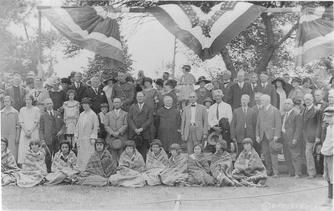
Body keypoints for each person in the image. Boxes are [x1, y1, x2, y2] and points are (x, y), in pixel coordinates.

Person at [256, 94, 282, 177]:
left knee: (273, 154)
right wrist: (257, 135)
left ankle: (275, 172)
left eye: (262, 100)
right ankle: (269, 170)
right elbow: (258, 124)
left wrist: (276, 135)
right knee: (266, 154)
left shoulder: (275, 110)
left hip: (271, 136)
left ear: (267, 101)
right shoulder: (260, 110)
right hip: (263, 136)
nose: (261, 102)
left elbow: (278, 124)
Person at [39, 98, 65, 172]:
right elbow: (41, 129)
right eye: (47, 104)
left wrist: (61, 131)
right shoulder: (43, 116)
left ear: (52, 104)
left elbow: (63, 125)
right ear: (45, 106)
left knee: (58, 154)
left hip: (58, 138)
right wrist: (42, 140)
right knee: (48, 156)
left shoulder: (58, 113)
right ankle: (48, 171)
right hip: (48, 138)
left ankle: (58, 170)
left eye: (50, 103)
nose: (49, 105)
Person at [74, 98, 99, 171]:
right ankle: (81, 170)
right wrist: (76, 135)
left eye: (86, 104)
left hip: (89, 139)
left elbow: (95, 127)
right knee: (81, 154)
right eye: (83, 104)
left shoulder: (93, 114)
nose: (84, 106)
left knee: (89, 154)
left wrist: (93, 137)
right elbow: (77, 126)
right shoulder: (81, 114)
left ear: (89, 105)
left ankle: (88, 170)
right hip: (81, 138)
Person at [301, 93, 321, 179]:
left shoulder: (317, 110)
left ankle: (311, 173)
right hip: (305, 136)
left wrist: (317, 136)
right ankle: (310, 172)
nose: (307, 101)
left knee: (308, 153)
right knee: (308, 154)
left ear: (312, 99)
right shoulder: (304, 110)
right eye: (305, 99)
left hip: (312, 137)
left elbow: (319, 125)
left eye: (309, 99)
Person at [128, 92, 153, 159]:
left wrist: (142, 128)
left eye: (141, 96)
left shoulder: (149, 107)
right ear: (136, 98)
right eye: (138, 96)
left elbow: (150, 119)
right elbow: (129, 119)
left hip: (144, 133)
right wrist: (135, 129)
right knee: (133, 151)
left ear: (144, 97)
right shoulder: (132, 107)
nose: (140, 98)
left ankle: (143, 167)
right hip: (134, 133)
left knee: (143, 152)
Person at [281, 99, 302, 178]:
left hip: (293, 138)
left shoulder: (296, 115)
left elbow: (298, 128)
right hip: (285, 139)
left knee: (295, 155)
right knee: (287, 156)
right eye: (285, 103)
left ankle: (297, 173)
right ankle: (291, 172)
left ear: (292, 105)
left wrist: (295, 138)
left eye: (288, 104)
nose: (286, 105)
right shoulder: (283, 115)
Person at [18, 94, 40, 165]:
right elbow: (21, 121)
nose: (28, 101)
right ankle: (24, 165)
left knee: (33, 146)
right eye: (26, 99)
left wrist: (30, 131)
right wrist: (25, 131)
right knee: (24, 148)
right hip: (24, 131)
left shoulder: (36, 109)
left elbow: (36, 121)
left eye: (29, 99)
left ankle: (34, 164)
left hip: (33, 131)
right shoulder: (22, 109)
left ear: (32, 100)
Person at [320, 107, 334, 206]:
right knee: (329, 177)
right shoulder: (328, 128)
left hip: (332, 155)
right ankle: (329, 199)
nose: (326, 119)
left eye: (329, 117)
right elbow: (326, 141)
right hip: (327, 154)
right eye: (326, 117)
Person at [1, 96, 20, 161]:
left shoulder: (15, 112)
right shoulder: (1, 112)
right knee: (3, 150)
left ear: (11, 102)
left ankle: (13, 166)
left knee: (12, 151)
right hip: (3, 135)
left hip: (12, 135)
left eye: (8, 101)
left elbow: (18, 126)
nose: (6, 103)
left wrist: (17, 136)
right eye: (5, 101)